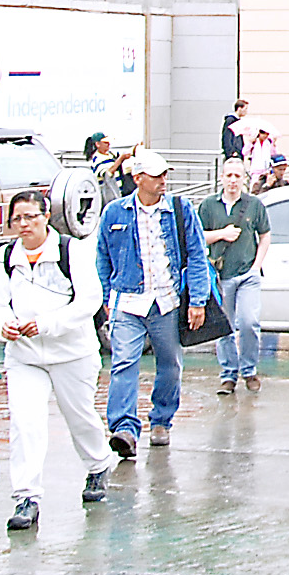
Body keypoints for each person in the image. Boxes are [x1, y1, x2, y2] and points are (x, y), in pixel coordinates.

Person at [0, 189, 112, 530]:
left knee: (79, 416)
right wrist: (4, 325)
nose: (24, 224)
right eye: (17, 219)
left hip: (72, 352)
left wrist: (45, 325)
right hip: (25, 356)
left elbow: (89, 301)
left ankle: (98, 464)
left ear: (46, 216)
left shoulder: (71, 251)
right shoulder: (4, 258)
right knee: (25, 423)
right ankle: (26, 497)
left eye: (30, 216)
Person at [93, 150, 212, 461]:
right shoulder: (115, 212)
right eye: (156, 175)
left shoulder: (179, 209)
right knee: (123, 364)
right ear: (138, 179)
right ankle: (124, 429)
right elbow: (103, 258)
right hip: (127, 301)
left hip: (167, 301)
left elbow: (198, 255)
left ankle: (161, 420)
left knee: (170, 364)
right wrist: (106, 297)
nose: (163, 181)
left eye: (164, 175)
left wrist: (197, 300)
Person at [200, 158, 272, 395]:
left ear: (244, 179)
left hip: (247, 273)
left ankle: (249, 369)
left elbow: (265, 236)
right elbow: (199, 237)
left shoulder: (253, 205)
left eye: (237, 176)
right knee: (224, 327)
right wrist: (222, 234)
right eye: (228, 176)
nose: (232, 181)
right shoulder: (209, 205)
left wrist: (256, 265)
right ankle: (228, 374)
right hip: (221, 275)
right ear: (222, 177)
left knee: (249, 322)